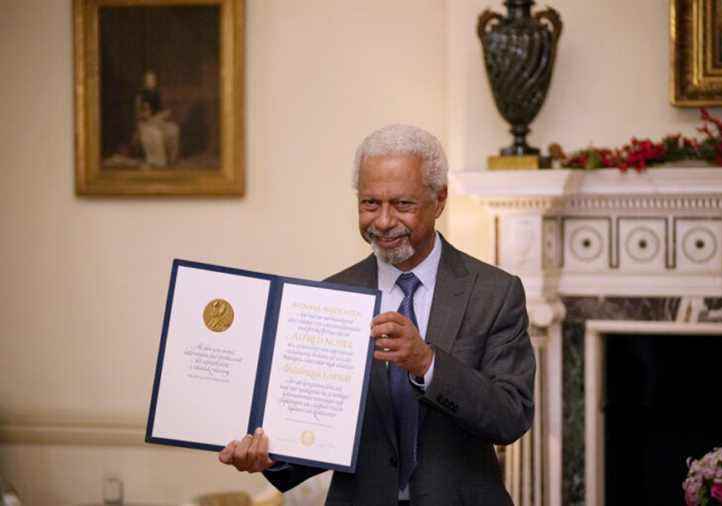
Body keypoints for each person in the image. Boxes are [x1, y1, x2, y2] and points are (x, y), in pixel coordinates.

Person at [219, 124, 535, 506]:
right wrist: (271, 458)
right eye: (370, 204)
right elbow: (317, 431)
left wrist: (428, 363)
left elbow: (510, 417)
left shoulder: (494, 292)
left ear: (439, 200)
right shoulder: (328, 297)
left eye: (402, 204)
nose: (383, 222)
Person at [134, 70, 180, 167]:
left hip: (157, 121)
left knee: (174, 129)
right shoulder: (140, 95)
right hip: (146, 125)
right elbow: (139, 115)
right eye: (149, 80)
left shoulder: (156, 94)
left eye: (153, 79)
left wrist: (164, 114)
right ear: (145, 81)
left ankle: (172, 159)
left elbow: (159, 111)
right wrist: (146, 115)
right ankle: (158, 161)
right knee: (156, 134)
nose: (152, 81)